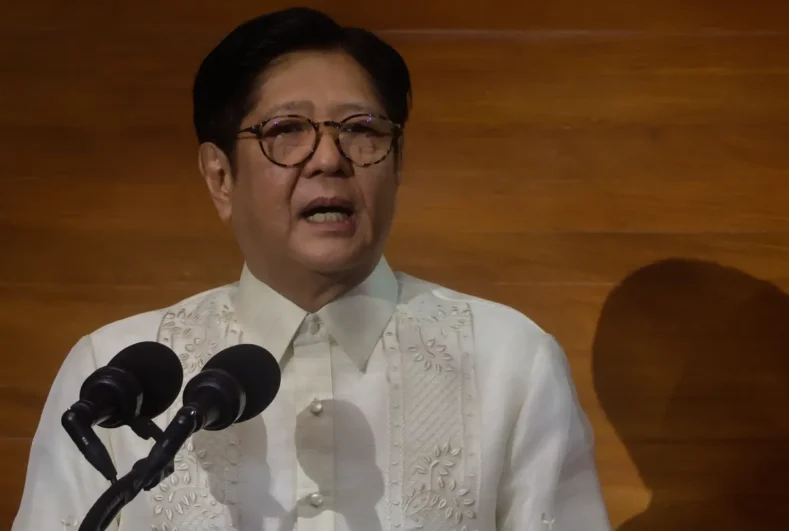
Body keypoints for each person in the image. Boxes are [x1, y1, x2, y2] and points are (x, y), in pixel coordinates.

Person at [11, 7, 611, 531]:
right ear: (220, 178)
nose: (329, 159)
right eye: (286, 131)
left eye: (361, 131)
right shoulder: (114, 375)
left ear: (398, 164)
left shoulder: (510, 361)